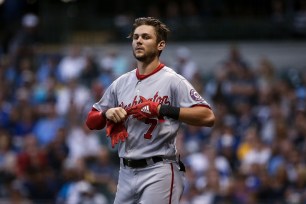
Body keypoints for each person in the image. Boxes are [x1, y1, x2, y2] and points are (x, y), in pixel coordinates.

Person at [85, 17, 215, 204]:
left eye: (146, 37)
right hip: (126, 171)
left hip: (159, 170)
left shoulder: (173, 80)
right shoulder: (121, 83)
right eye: (136, 37)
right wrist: (106, 114)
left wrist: (162, 109)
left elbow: (207, 116)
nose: (138, 40)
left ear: (160, 45)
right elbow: (91, 120)